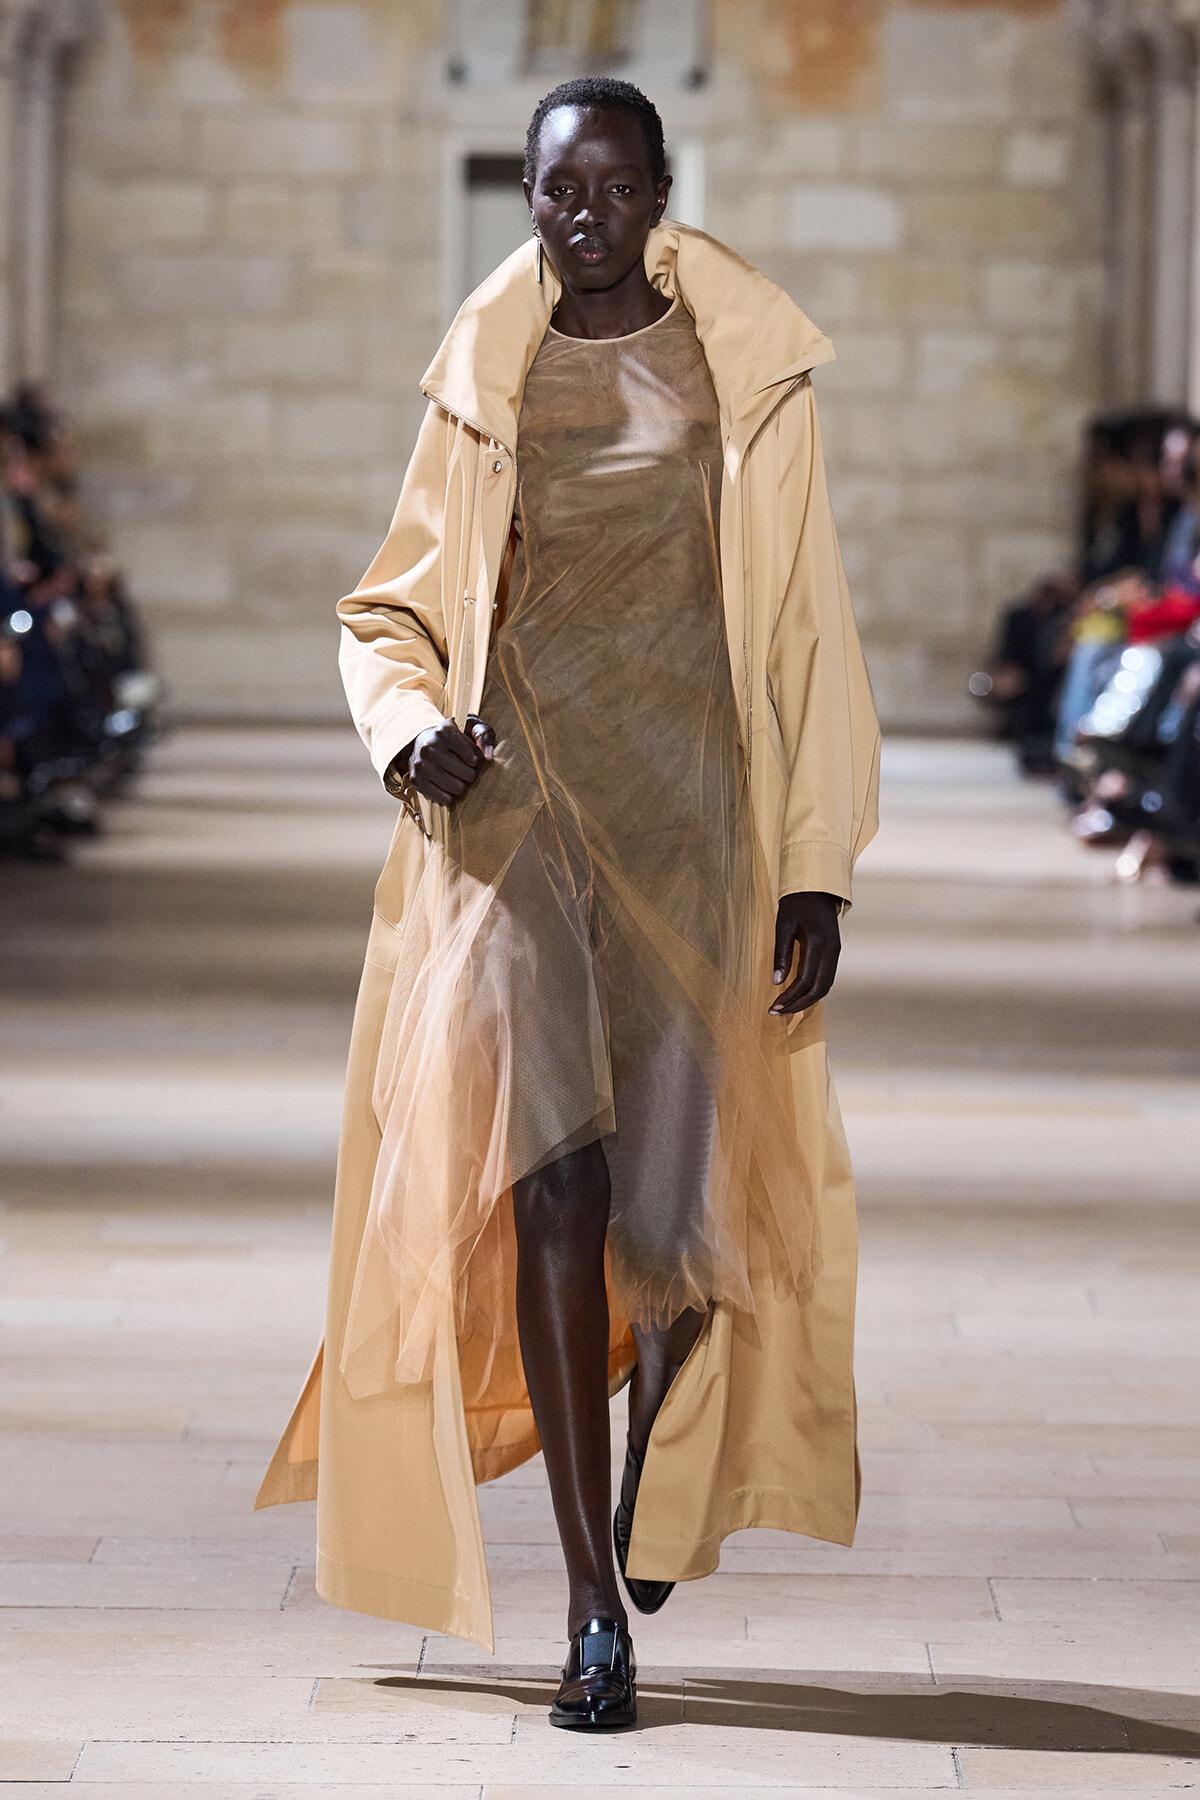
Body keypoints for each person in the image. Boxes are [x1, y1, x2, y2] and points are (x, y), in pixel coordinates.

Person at [258, 78, 880, 1731]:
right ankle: (593, 1608)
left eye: (613, 187)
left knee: (676, 1233)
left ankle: (644, 1480)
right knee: (555, 1183)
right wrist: (410, 737)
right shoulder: (485, 373)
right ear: (525, 198)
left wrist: (813, 855)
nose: (583, 215)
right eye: (554, 190)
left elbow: (807, 618)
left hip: (692, 819)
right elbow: (385, 608)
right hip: (522, 820)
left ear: (661, 190)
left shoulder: (747, 365)